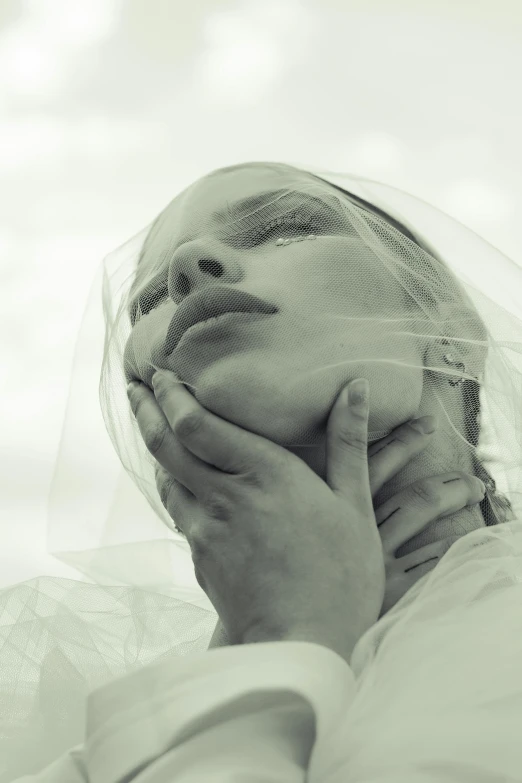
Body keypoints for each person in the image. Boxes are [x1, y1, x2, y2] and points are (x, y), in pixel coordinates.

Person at [3, 161, 522, 781]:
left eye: (289, 230)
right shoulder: (95, 757)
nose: (188, 264)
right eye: (147, 302)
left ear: (448, 326)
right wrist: (293, 635)